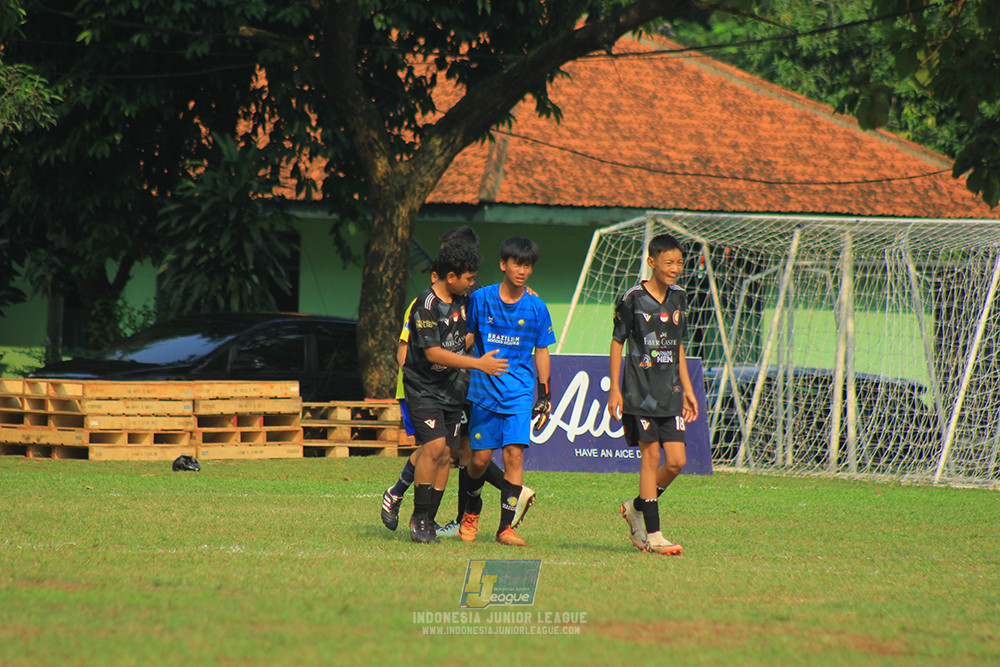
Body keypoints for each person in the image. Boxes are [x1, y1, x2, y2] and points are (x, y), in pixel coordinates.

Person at [380, 227, 517, 537]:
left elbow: (485, 309)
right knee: (434, 447)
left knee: (447, 454)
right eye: (469, 278)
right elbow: (432, 353)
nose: (472, 283)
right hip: (424, 388)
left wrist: (523, 291)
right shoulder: (424, 305)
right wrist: (479, 364)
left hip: (453, 388)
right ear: (450, 276)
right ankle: (417, 517)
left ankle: (428, 519)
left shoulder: (465, 298)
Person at [459, 236, 555, 547]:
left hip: (519, 394)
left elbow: (542, 350)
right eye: (517, 264)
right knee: (479, 461)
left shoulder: (537, 307)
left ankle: (505, 528)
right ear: (503, 264)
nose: (522, 271)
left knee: (514, 455)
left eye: (528, 266)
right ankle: (471, 511)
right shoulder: (480, 298)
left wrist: (544, 394)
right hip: (483, 392)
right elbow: (467, 338)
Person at [607, 233, 698, 556]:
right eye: (668, 262)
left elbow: (678, 345)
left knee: (676, 461)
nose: (675, 268)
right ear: (651, 262)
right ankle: (654, 534)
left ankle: (636, 508)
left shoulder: (680, 297)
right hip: (639, 392)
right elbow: (617, 343)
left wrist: (688, 389)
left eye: (679, 263)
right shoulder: (632, 298)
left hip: (670, 392)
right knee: (651, 457)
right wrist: (615, 390)